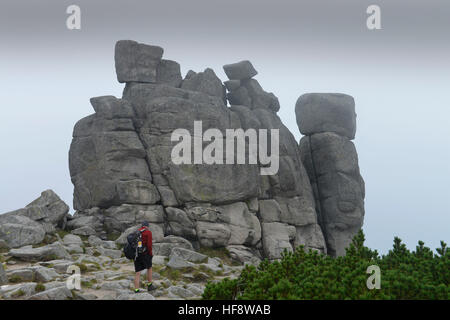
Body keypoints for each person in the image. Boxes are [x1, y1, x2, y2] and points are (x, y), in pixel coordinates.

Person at [133, 221, 154, 293]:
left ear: (142, 226)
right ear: (147, 226)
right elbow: (149, 245)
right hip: (145, 254)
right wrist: (150, 254)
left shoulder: (136, 232)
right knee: (149, 268)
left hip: (136, 254)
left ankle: (136, 290)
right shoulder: (148, 232)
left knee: (137, 273)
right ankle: (150, 285)